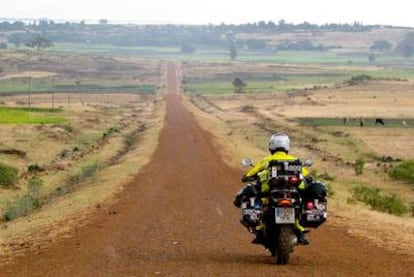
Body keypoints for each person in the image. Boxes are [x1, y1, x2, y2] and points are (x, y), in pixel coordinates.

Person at [235, 132, 310, 245]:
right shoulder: (294, 160)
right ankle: (300, 231)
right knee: (298, 206)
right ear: (287, 146)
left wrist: (247, 177)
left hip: (270, 192)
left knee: (259, 203)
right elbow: (307, 175)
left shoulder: (267, 160)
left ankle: (259, 229)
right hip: (291, 192)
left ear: (271, 146)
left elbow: (251, 173)